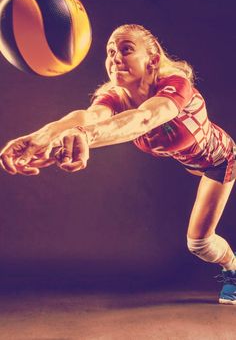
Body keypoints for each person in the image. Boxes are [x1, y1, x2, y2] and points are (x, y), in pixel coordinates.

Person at [0, 24, 235, 304]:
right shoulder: (115, 97)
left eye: (126, 50)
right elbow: (89, 118)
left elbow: (143, 120)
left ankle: (232, 269)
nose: (115, 58)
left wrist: (84, 136)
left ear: (154, 58)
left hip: (219, 161)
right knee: (198, 245)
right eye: (110, 52)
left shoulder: (175, 84)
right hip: (187, 162)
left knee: (199, 243)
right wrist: (42, 138)